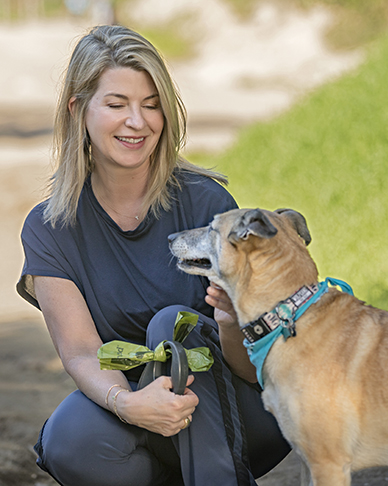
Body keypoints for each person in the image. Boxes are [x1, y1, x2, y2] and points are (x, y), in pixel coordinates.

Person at [17, 25, 290, 486]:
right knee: (69, 440)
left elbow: (254, 364)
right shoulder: (49, 228)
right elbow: (83, 353)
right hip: (138, 410)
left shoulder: (207, 204)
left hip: (238, 413)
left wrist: (228, 324)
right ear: (78, 109)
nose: (137, 122)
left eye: (151, 104)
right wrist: (131, 404)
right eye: (117, 104)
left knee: (172, 326)